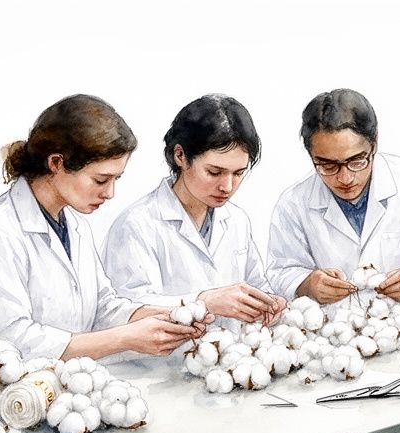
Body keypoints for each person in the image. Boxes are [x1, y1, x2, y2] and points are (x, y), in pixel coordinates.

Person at [0, 94, 210, 361]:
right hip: (19, 394)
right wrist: (127, 337)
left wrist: (161, 317)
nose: (110, 193)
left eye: (116, 179)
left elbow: (103, 307)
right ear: (56, 163)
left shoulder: (75, 226)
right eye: (101, 180)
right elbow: (6, 340)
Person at [265, 88, 400, 320]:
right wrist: (307, 285)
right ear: (311, 156)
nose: (345, 178)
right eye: (327, 165)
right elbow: (280, 271)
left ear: (374, 144)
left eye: (356, 160)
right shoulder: (293, 204)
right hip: (334, 342)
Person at [102, 94, 286, 326]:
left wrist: (269, 303)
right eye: (214, 172)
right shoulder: (137, 224)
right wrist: (203, 302)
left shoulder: (237, 220)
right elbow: (124, 312)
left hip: (229, 358)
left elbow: (256, 285)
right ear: (180, 156)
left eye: (238, 173)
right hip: (159, 363)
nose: (227, 187)